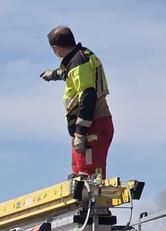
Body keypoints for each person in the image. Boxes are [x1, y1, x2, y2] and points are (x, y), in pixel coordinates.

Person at [40, 26, 113, 177]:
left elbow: (87, 96)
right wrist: (53, 74)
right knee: (78, 175)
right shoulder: (80, 57)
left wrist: (80, 132)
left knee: (89, 178)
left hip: (92, 126)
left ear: (56, 48)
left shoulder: (78, 63)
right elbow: (68, 73)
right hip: (87, 128)